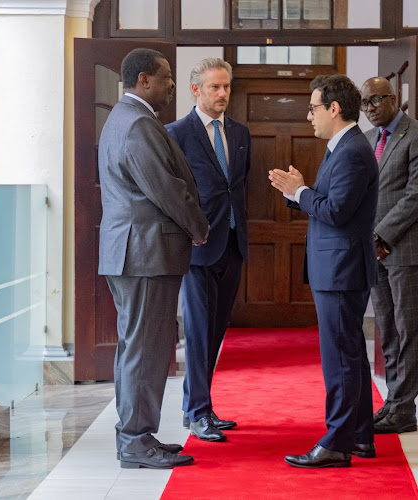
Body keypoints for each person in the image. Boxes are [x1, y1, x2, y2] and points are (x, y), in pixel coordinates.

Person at [98, 48, 209, 469]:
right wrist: (198, 226)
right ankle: (134, 440)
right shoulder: (138, 123)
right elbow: (166, 188)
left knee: (139, 347)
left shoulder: (126, 119)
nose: (171, 85)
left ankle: (138, 435)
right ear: (144, 80)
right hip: (144, 252)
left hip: (137, 252)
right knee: (144, 350)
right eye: (165, 78)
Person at [268, 74, 379, 468]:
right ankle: (360, 436)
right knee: (349, 354)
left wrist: (301, 192)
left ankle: (337, 441)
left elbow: (335, 211)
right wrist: (299, 193)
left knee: (340, 358)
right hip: (338, 265)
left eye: (313, 107)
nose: (309, 115)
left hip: (342, 268)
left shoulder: (350, 150)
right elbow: (332, 201)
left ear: (334, 109)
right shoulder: (342, 146)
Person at [166, 58, 251, 442]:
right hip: (198, 247)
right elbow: (174, 193)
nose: (223, 94)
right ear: (195, 90)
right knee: (198, 332)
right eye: (215, 87)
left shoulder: (240, 133)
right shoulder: (176, 134)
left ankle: (199, 407)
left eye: (227, 87)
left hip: (233, 243)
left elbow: (237, 186)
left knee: (215, 332)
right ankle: (198, 411)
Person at [360, 77, 418, 434]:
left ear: (396, 99)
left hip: (405, 249)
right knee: (388, 330)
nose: (371, 107)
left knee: (408, 330)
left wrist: (382, 236)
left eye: (377, 99)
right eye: (365, 103)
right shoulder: (367, 140)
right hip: (374, 252)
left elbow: (417, 197)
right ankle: (392, 401)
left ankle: (405, 410)